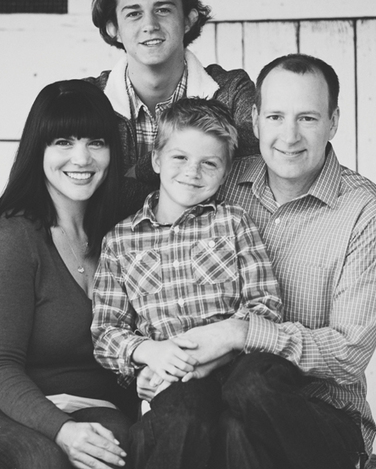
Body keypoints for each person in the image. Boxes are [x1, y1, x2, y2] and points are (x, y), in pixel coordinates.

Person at [137, 54, 376, 469]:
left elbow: (349, 353)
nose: (289, 136)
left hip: (318, 416)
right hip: (214, 399)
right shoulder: (223, 182)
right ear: (255, 119)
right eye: (276, 116)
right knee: (200, 422)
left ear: (333, 122)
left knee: (252, 388)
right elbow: (169, 268)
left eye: (308, 119)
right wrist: (163, 357)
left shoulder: (366, 211)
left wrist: (241, 333)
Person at [0, 80, 139, 469]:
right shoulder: (11, 235)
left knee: (120, 447)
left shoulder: (121, 234)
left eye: (96, 142)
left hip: (86, 407)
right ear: (37, 149)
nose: (82, 158)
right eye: (63, 142)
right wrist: (63, 431)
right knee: (41, 458)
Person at [91, 97, 283, 469]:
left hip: (237, 366)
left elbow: (266, 305)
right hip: (174, 381)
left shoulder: (232, 222)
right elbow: (106, 334)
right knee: (181, 416)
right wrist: (150, 355)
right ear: (157, 160)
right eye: (180, 158)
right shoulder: (121, 240)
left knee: (238, 427)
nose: (192, 172)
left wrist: (207, 357)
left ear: (225, 173)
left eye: (208, 163)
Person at [86, 0, 259, 215]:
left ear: (188, 19)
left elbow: (249, 171)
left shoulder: (231, 90)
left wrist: (140, 171)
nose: (150, 25)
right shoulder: (87, 99)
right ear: (114, 29)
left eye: (163, 10)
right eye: (133, 13)